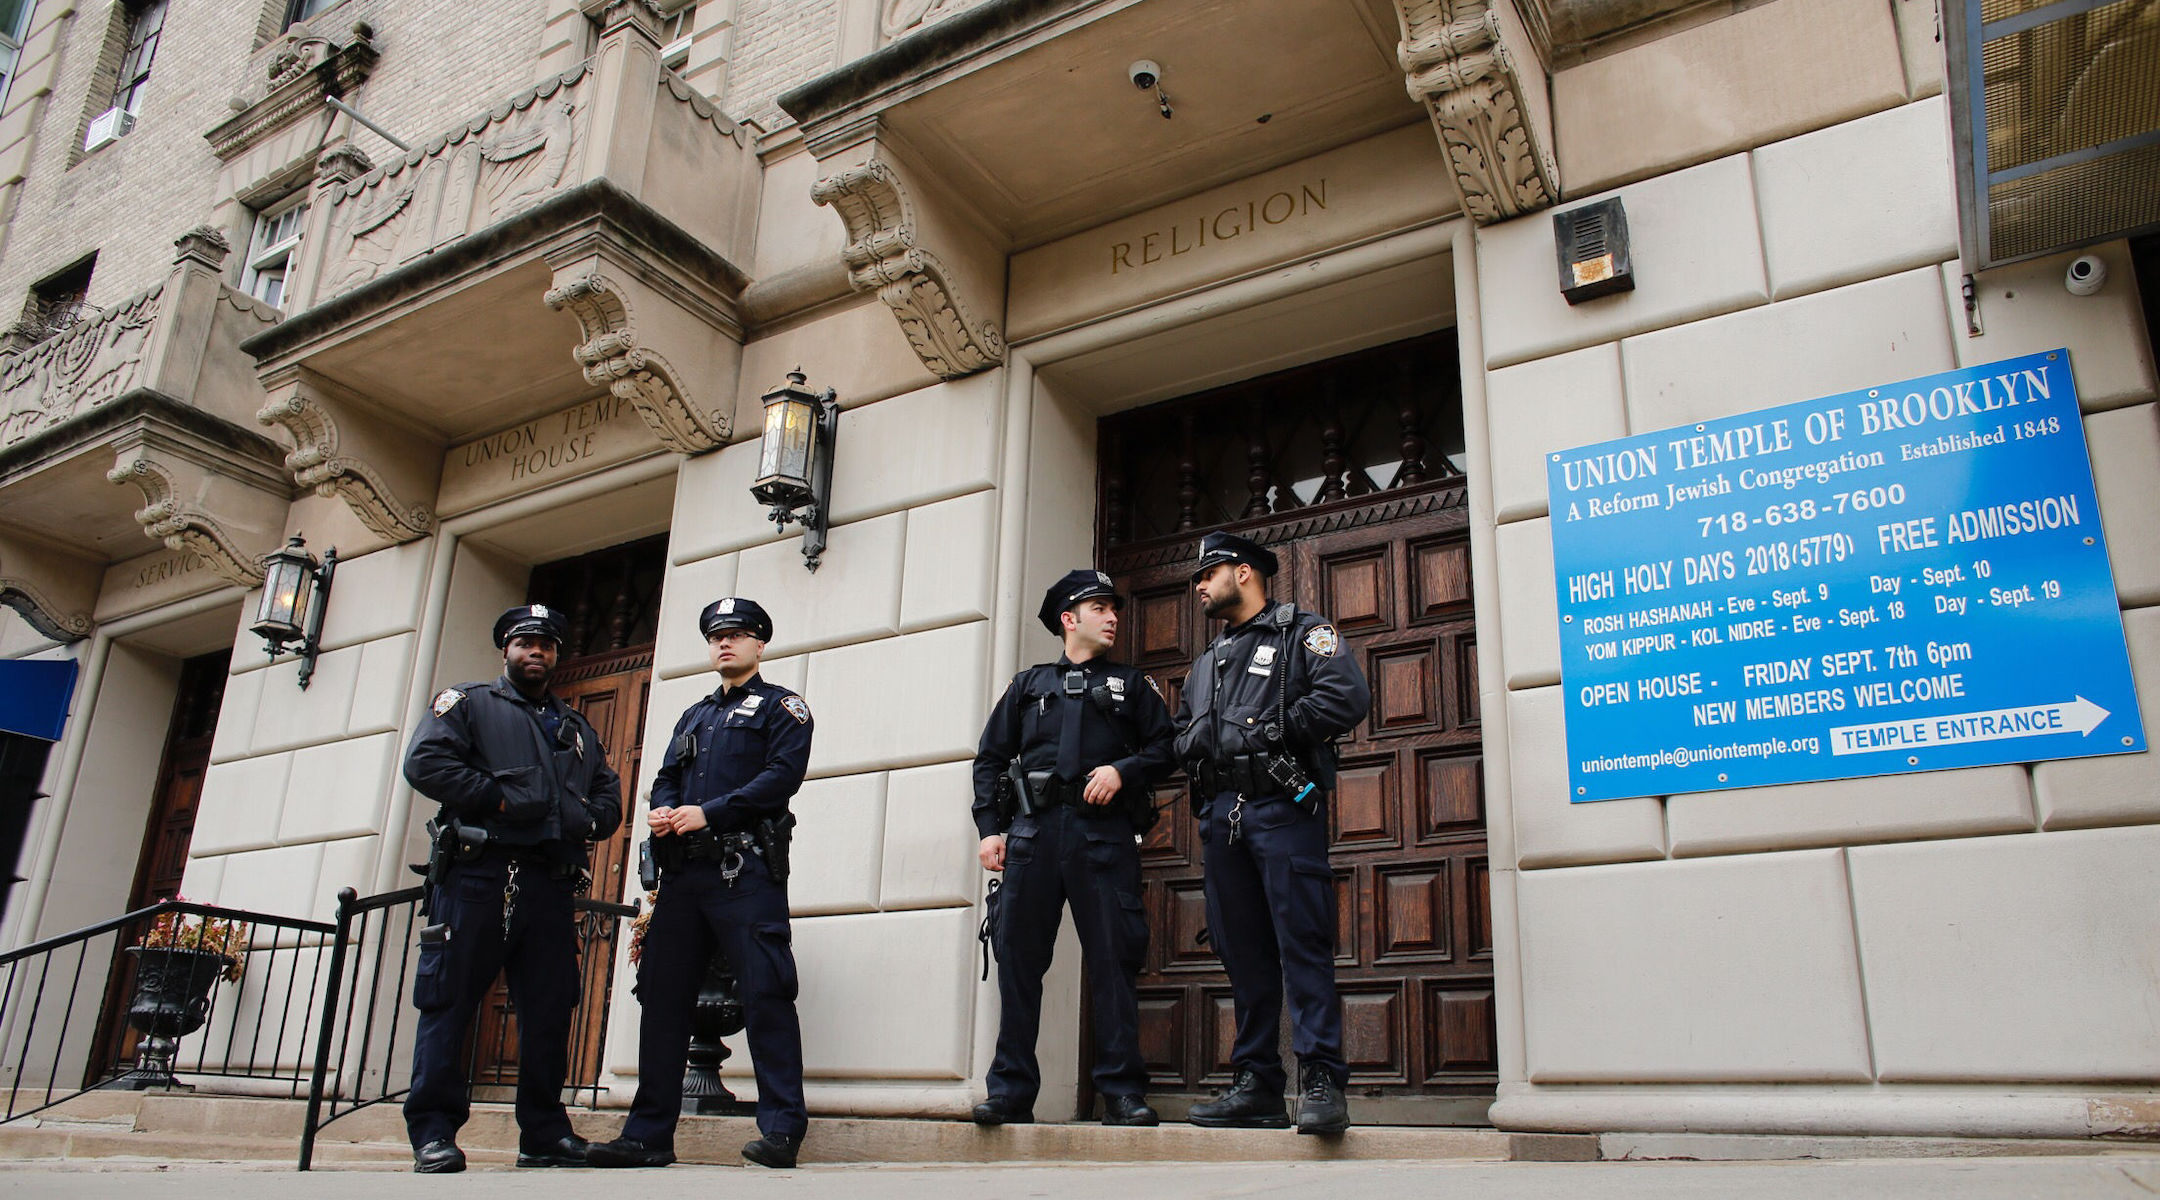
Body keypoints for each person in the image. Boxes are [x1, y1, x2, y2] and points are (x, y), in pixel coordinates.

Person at [588, 597, 812, 1170]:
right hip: (684, 874)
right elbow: (665, 778)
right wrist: (663, 812)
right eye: (716, 636)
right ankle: (648, 1136)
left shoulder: (782, 707)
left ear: (760, 644)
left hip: (745, 871)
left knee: (766, 994)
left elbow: (781, 778)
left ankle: (782, 1130)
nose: (725, 644)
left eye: (738, 635)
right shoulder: (694, 715)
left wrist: (710, 812)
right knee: (662, 999)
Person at [401, 604, 623, 1173]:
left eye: (546, 644)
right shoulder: (470, 703)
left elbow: (607, 795)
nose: (536, 651)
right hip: (480, 875)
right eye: (525, 641)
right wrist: (496, 797)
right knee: (448, 1002)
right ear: (506, 648)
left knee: (550, 1008)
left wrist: (585, 820)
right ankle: (433, 1132)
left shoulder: (575, 728)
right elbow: (425, 763)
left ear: (556, 654)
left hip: (548, 885)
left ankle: (543, 1134)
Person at [1173, 532, 1371, 1135]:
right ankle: (1257, 1082)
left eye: (1208, 574)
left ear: (1243, 572)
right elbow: (1183, 732)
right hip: (1222, 819)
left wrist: (1276, 734)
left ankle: (1320, 1080)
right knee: (1243, 955)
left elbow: (1346, 695)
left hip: (1283, 809)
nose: (1200, 586)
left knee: (1302, 944)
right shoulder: (1206, 663)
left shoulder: (1301, 633)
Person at [971, 570, 1177, 1128]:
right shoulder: (1028, 685)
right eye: (1099, 607)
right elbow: (990, 759)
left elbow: (1170, 748)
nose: (1113, 616)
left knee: (1114, 962)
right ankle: (1011, 1092)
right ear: (1069, 619)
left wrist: (1122, 769)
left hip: (1104, 836)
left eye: (1114, 607)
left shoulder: (1132, 686)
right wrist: (990, 829)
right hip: (1033, 837)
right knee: (1018, 963)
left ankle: (1122, 1093)